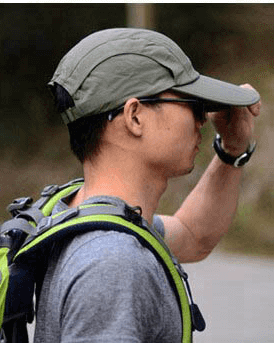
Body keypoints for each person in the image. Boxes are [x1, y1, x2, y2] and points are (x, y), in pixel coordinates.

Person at [34, 25, 262, 343]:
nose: (201, 121)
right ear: (135, 116)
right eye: (192, 106)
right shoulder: (112, 264)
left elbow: (194, 235)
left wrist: (231, 150)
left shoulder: (82, 215)